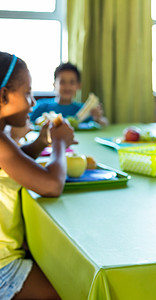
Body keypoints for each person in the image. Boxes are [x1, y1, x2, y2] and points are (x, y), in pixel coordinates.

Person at [0, 51, 77, 299]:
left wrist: (40, 143)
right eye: (27, 93)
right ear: (3, 95)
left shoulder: (4, 142)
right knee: (69, 291)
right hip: (3, 265)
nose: (33, 102)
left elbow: (13, 162)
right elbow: (52, 185)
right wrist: (59, 145)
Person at [29, 62, 108, 126]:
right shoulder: (42, 107)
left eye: (72, 82)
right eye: (62, 82)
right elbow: (27, 123)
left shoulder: (83, 110)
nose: (67, 87)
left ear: (79, 86)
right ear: (54, 85)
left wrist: (98, 118)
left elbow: (105, 123)